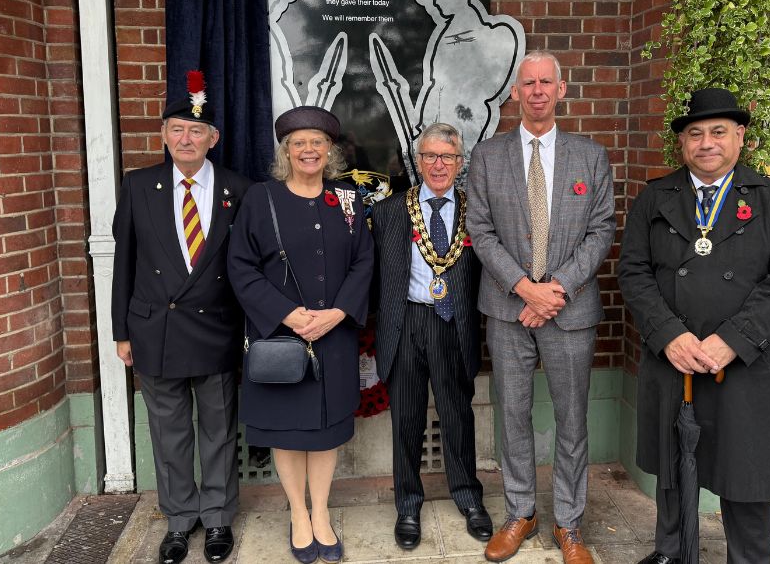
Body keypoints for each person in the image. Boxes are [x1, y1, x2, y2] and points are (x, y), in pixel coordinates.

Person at [617, 87, 770, 564]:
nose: (707, 143)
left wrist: (731, 341)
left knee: (745, 473)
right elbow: (633, 272)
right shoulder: (656, 197)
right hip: (674, 359)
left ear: (740, 136)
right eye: (695, 133)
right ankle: (674, 553)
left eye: (719, 132)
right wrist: (668, 336)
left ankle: (747, 559)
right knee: (673, 466)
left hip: (745, 363)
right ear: (683, 143)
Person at [467, 51, 616, 564]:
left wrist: (556, 289)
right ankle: (520, 512)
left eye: (545, 82)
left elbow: (601, 231)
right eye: (527, 82)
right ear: (515, 93)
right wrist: (524, 288)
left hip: (569, 311)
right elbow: (480, 232)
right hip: (508, 310)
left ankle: (570, 524)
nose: (536, 91)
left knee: (573, 420)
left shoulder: (590, 156)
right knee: (512, 415)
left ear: (560, 89)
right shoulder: (487, 156)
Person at [112, 72, 253, 564]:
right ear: (164, 135)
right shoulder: (138, 186)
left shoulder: (240, 189)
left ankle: (216, 518)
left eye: (196, 132)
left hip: (216, 329)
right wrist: (120, 331)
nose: (185, 139)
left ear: (212, 139)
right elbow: (124, 261)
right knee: (168, 433)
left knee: (218, 430)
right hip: (155, 330)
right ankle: (178, 520)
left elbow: (248, 268)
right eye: (176, 129)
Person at [228, 106, 374, 564]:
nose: (308, 150)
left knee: (326, 433)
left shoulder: (349, 200)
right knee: (288, 432)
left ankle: (323, 512)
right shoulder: (260, 198)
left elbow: (364, 261)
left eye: (317, 142)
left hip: (333, 336)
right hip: (282, 339)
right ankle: (298, 514)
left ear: (329, 150)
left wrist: (338, 312)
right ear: (286, 151)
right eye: (299, 143)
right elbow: (241, 266)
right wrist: (288, 315)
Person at [370, 123, 492, 551]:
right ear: (417, 161)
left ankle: (468, 496)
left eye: (448, 157)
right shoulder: (388, 211)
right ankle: (407, 503)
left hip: (451, 324)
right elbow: (373, 279)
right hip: (404, 324)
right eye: (430, 156)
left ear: (460, 164)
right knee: (406, 418)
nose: (438, 164)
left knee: (458, 414)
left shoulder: (475, 210)